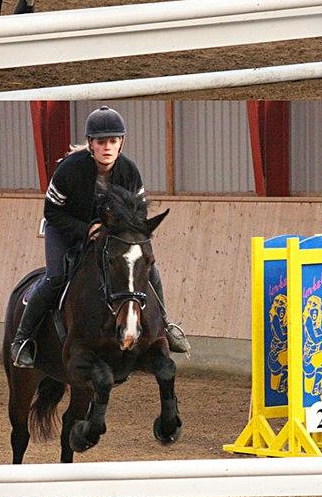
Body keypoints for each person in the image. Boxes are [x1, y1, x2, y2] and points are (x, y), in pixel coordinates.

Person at [10, 105, 190, 368]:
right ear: (90, 144)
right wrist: (85, 230)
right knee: (56, 277)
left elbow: (136, 216)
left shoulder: (129, 171)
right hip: (66, 229)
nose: (107, 147)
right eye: (101, 142)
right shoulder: (69, 170)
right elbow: (51, 211)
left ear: (121, 143)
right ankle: (22, 340)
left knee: (151, 273)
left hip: (110, 236)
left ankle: (166, 325)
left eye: (113, 141)